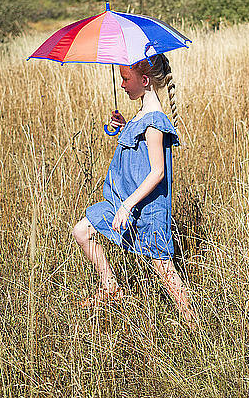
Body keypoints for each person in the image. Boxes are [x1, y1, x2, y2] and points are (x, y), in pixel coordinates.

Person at [72, 54, 197, 328]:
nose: (122, 85)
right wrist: (119, 126)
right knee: (82, 231)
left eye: (126, 79)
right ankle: (110, 287)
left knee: (163, 269)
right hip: (120, 200)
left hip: (145, 207)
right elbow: (134, 148)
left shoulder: (155, 122)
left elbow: (157, 172)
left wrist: (128, 205)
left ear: (144, 80)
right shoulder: (142, 115)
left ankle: (191, 325)